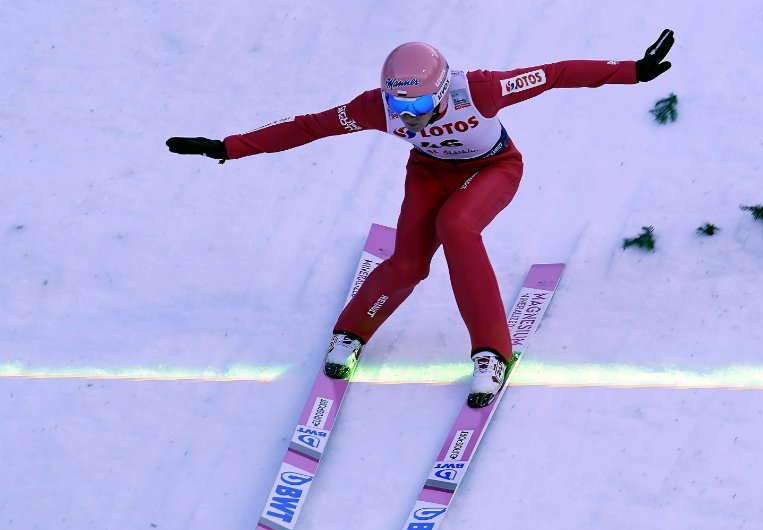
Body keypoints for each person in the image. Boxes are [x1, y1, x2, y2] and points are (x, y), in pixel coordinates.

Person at [166, 30, 675, 408]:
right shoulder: (376, 109)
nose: (409, 116)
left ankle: (490, 353)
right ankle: (352, 331)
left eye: (421, 104)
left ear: (442, 88)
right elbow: (310, 126)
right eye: (397, 104)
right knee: (408, 263)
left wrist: (633, 69)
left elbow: (556, 74)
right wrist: (228, 148)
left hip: (493, 168)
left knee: (457, 226)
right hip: (430, 171)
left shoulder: (479, 89)